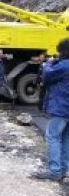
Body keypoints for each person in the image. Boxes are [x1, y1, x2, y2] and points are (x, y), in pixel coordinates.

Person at [32, 38, 69, 181]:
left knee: (53, 137)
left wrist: (48, 63)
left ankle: (54, 170)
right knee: (65, 139)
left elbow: (46, 76)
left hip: (61, 108)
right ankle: (63, 169)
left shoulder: (63, 66)